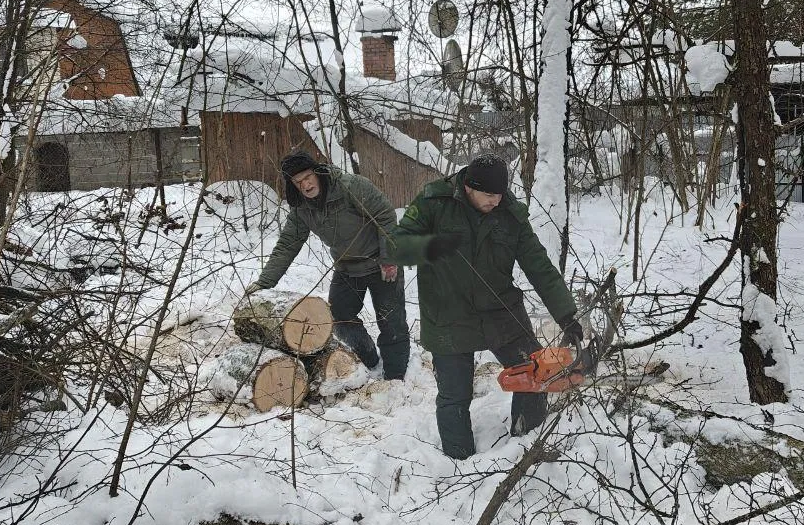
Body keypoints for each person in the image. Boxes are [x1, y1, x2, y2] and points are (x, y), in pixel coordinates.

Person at [392, 155, 583, 459]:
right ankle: (459, 464)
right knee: (455, 395)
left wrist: (567, 316)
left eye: (500, 194)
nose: (496, 201)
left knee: (535, 375)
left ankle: (525, 448)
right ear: (468, 186)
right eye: (488, 195)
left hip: (500, 311)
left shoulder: (509, 213)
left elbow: (540, 266)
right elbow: (398, 245)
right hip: (446, 313)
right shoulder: (434, 201)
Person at [247, 150, 409, 380]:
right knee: (340, 319)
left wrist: (389, 258)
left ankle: (396, 376)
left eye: (307, 177)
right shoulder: (301, 208)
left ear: (317, 172)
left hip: (381, 263)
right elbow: (287, 244)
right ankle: (371, 361)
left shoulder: (350, 186)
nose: (305, 185)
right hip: (347, 267)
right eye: (297, 182)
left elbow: (386, 217)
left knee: (391, 322)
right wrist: (264, 283)